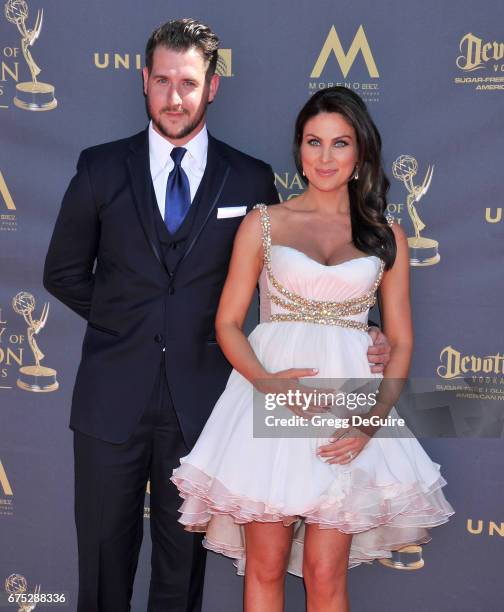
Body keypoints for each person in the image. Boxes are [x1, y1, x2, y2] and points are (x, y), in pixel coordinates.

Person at [43, 18, 390, 612]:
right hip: (109, 400)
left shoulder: (250, 177)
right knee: (101, 569)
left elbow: (298, 269)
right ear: (143, 81)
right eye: (161, 81)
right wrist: (133, 320)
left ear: (213, 86)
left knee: (182, 580)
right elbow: (63, 273)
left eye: (188, 82)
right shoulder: (100, 167)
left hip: (205, 406)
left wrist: (367, 327)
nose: (173, 97)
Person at [171, 86, 454, 612]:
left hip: (349, 406)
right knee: (266, 566)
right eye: (313, 142)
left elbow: (402, 337)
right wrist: (267, 383)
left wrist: (372, 419)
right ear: (298, 150)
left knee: (326, 573)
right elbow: (229, 322)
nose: (325, 157)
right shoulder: (265, 223)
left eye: (339, 143)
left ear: (361, 152)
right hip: (270, 402)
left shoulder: (387, 235)